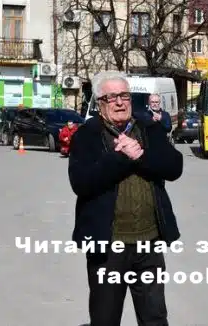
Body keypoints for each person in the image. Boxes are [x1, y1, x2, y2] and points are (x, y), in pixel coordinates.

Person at [68, 71, 183, 326]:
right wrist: (120, 158)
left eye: (124, 96)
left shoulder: (148, 128)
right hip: (108, 248)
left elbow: (175, 167)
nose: (120, 102)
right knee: (105, 318)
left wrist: (140, 156)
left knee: (155, 318)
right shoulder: (87, 135)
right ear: (100, 103)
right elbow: (81, 183)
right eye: (112, 97)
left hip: (149, 245)